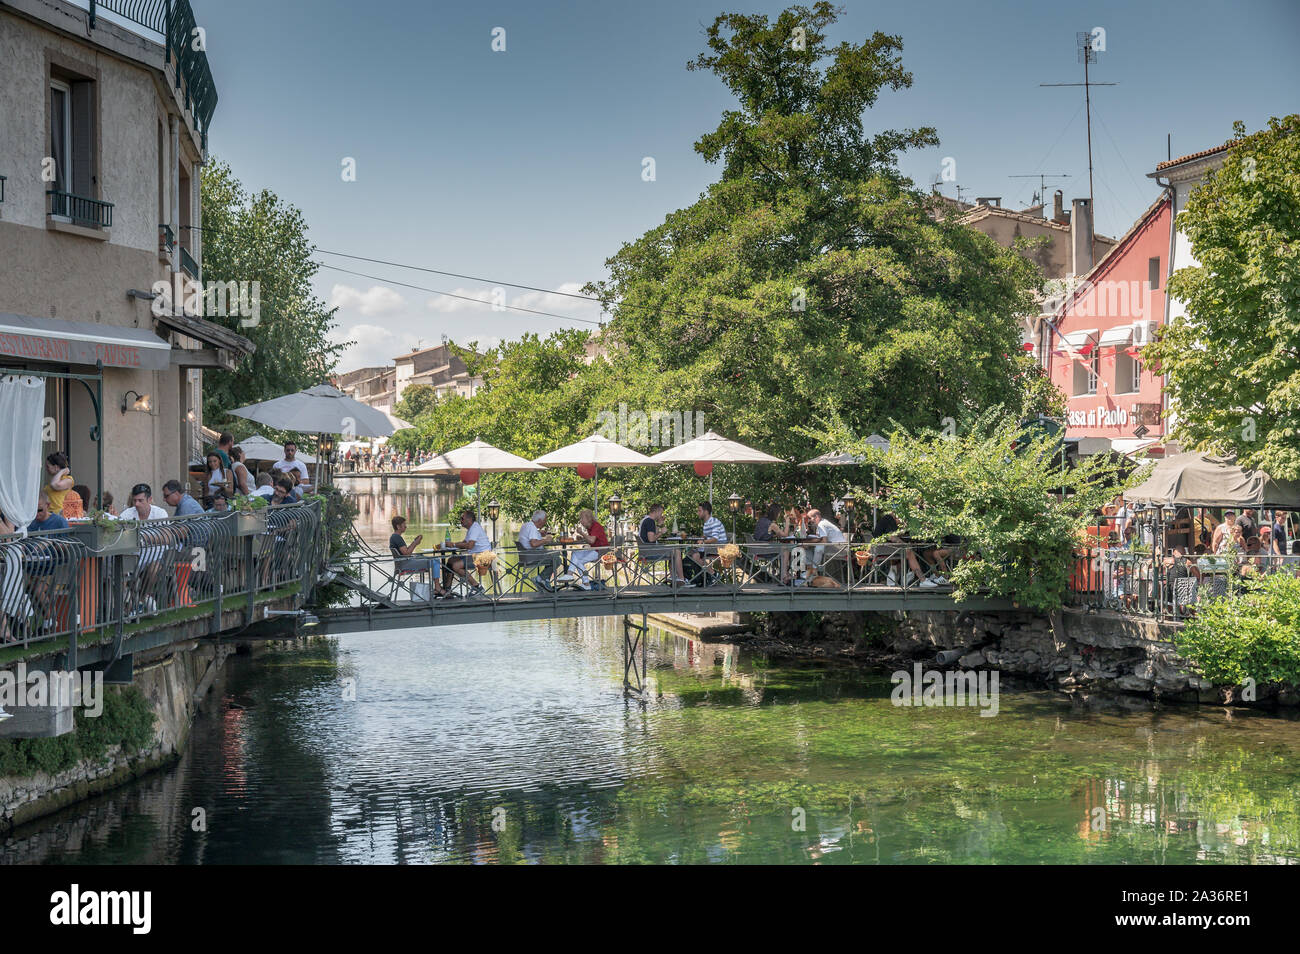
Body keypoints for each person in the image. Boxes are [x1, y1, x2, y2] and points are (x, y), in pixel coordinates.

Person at [389, 516, 446, 599]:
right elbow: (407, 553)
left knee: (425, 557)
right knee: (435, 561)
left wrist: (414, 542)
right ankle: (437, 587)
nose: (406, 526)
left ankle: (437, 588)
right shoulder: (396, 537)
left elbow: (405, 552)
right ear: (398, 526)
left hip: (403, 562)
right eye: (404, 524)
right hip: (405, 564)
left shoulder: (394, 537)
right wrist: (415, 543)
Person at [637, 504, 690, 586]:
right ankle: (681, 579)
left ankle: (675, 579)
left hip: (646, 551)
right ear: (656, 511)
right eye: (661, 513)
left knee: (673, 551)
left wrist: (659, 524)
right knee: (677, 551)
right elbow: (651, 539)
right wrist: (662, 532)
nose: (661, 515)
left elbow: (652, 535)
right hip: (650, 552)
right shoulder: (650, 521)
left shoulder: (645, 520)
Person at [446, 508, 491, 592]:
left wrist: (454, 544)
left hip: (483, 557)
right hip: (476, 555)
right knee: (451, 560)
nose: (460, 520)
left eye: (462, 518)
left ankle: (477, 587)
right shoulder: (471, 529)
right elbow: (464, 542)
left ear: (469, 519)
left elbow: (470, 546)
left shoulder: (475, 528)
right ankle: (447, 589)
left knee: (456, 566)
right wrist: (452, 545)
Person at [518, 509, 565, 590]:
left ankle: (545, 580)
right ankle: (540, 579)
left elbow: (530, 538)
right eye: (545, 520)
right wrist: (546, 540)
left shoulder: (527, 525)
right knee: (557, 558)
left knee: (555, 555)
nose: (545, 522)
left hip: (525, 555)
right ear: (540, 520)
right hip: (533, 556)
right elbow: (534, 544)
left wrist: (539, 533)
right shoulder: (532, 528)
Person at [568, 508, 609, 590]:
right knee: (575, 553)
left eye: (582, 518)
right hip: (595, 549)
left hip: (601, 551)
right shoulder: (590, 527)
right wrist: (583, 538)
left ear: (588, 519)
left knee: (579, 561)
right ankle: (569, 574)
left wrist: (582, 533)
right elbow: (592, 540)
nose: (580, 521)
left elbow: (591, 540)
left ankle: (586, 584)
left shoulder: (596, 526)